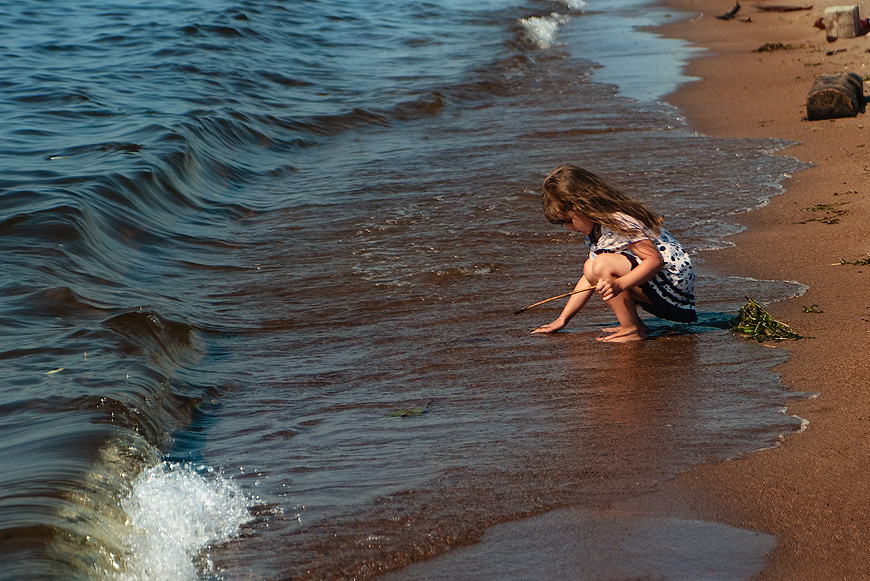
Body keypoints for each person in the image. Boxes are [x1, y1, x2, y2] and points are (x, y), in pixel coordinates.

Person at [532, 164, 696, 342]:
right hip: (656, 288)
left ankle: (632, 330)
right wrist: (562, 320)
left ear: (583, 206)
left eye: (569, 220)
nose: (568, 228)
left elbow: (654, 260)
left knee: (602, 264)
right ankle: (635, 325)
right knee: (591, 266)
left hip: (673, 289)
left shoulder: (619, 220)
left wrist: (619, 285)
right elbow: (589, 277)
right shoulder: (595, 231)